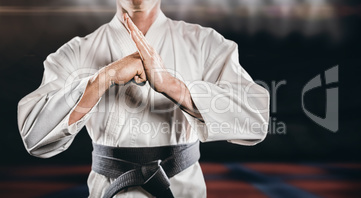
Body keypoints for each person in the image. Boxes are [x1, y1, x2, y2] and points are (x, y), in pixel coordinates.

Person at [17, 0, 270, 197]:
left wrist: (173, 86)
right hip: (110, 190)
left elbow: (256, 121)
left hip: (182, 190)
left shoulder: (205, 44)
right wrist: (101, 79)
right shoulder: (77, 52)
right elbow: (34, 137)